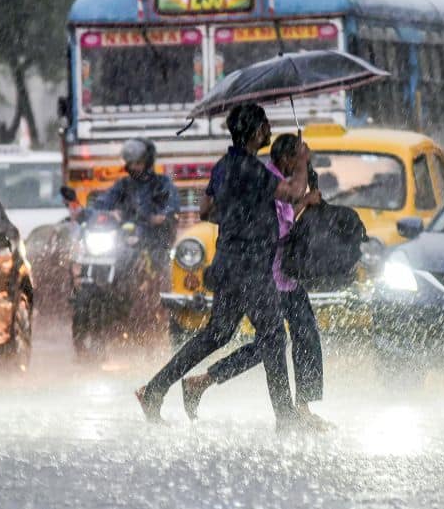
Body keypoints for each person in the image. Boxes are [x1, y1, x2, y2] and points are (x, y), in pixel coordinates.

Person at [136, 103, 311, 429]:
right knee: (273, 337)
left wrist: (237, 214)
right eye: (266, 127)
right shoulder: (251, 169)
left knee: (216, 334)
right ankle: (286, 419)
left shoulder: (223, 167)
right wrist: (301, 161)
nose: (270, 132)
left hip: (229, 263)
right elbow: (294, 192)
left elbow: (206, 210)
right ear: (256, 131)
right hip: (251, 267)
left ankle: (155, 389)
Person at [181, 134, 327, 426]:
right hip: (269, 276)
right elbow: (280, 230)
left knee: (303, 336)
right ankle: (203, 382)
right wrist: (305, 203)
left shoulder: (281, 180)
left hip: (287, 276)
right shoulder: (269, 181)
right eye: (296, 158)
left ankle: (302, 408)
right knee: (273, 342)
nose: (298, 164)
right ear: (285, 159)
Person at [94, 138, 180, 348]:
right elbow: (102, 203)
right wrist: (105, 212)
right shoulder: (122, 186)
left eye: (138, 163)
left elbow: (173, 206)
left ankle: (165, 313)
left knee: (163, 275)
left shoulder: (162, 184)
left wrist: (161, 217)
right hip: (125, 242)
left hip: (154, 242)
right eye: (130, 163)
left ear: (148, 161)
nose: (134, 168)